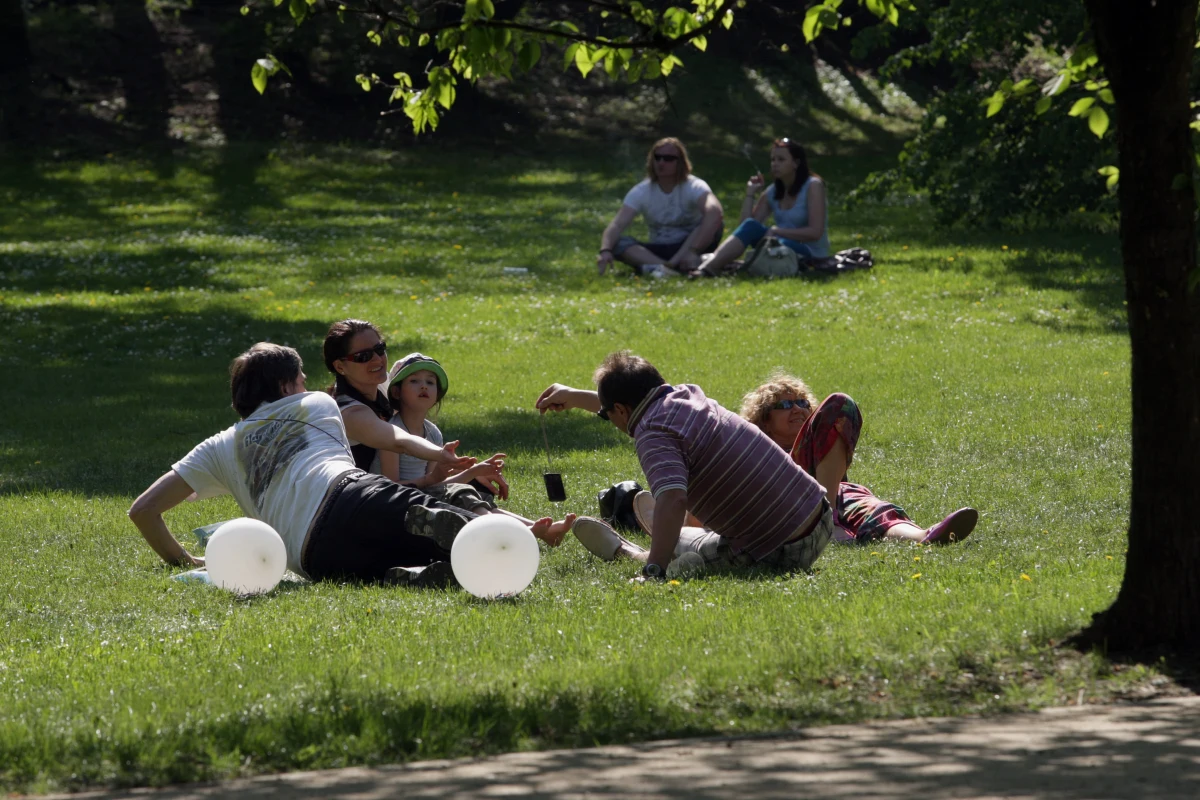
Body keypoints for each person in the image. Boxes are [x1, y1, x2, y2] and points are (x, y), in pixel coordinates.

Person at [127, 342, 485, 588]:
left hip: (308, 554)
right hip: (347, 494)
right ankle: (439, 528)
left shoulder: (217, 448)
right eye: (300, 379)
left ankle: (399, 574)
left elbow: (142, 510)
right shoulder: (317, 402)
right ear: (287, 386)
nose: (306, 384)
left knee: (370, 564)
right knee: (474, 537)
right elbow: (388, 436)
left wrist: (186, 561)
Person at [535, 351, 835, 581]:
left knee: (684, 547)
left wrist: (655, 570)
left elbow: (674, 499)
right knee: (684, 537)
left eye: (608, 413)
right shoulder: (687, 395)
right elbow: (628, 406)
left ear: (622, 409)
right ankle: (662, 542)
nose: (610, 419)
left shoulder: (653, 433)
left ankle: (631, 553)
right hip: (819, 517)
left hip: (780, 550)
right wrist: (575, 397)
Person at [739, 372, 978, 545]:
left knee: (864, 504)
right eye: (785, 404)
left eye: (802, 402)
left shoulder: (823, 460)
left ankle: (925, 536)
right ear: (764, 419)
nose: (798, 409)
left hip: (835, 495)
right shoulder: (757, 449)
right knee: (838, 404)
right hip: (787, 493)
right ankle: (827, 522)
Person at [379, 351, 577, 546]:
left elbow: (435, 485)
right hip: (397, 505)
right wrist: (461, 474)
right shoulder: (391, 434)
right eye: (414, 381)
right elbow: (389, 490)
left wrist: (473, 471)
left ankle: (542, 532)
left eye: (430, 382)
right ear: (396, 391)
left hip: (421, 495)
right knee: (463, 493)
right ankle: (522, 534)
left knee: (477, 496)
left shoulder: (432, 433)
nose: (424, 385)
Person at [693, 138, 831, 277]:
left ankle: (709, 266)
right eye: (773, 160)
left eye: (781, 160)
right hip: (780, 246)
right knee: (752, 227)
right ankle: (711, 266)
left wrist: (777, 231)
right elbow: (745, 228)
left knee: (774, 241)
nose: (775, 164)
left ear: (796, 163)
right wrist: (750, 193)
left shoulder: (813, 186)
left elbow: (815, 232)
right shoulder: (772, 191)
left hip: (811, 254)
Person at [596, 137, 724, 278]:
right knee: (618, 243)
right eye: (657, 158)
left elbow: (714, 211)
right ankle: (668, 268)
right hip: (660, 248)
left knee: (713, 224)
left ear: (680, 162)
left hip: (691, 245)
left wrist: (693, 251)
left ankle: (661, 268)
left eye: (668, 158)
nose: (661, 162)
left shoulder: (694, 186)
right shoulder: (641, 191)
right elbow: (617, 225)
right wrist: (605, 251)